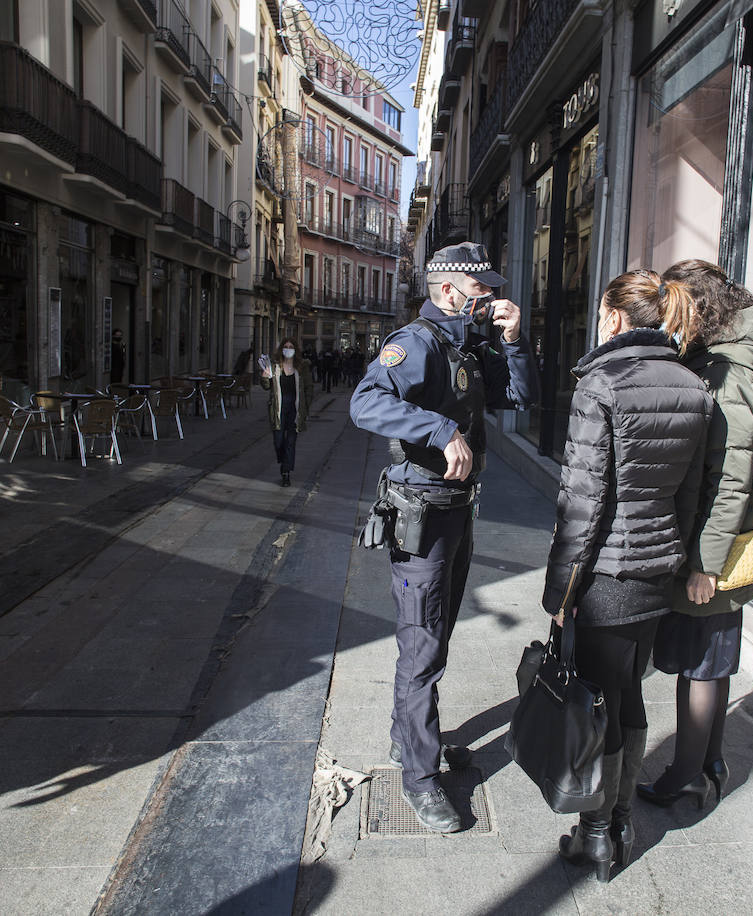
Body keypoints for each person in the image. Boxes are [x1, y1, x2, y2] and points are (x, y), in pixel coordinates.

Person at [350, 242, 538, 832]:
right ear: (450, 291)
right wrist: (440, 428)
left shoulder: (469, 344)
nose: (490, 300)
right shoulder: (419, 343)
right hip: (423, 515)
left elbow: (519, 398)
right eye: (482, 292)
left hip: (457, 511)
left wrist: (513, 340)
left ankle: (409, 739)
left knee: (437, 635)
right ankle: (420, 777)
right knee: (423, 647)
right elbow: (365, 402)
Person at [542, 269, 712, 881]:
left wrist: (559, 592)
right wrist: (679, 558)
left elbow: (582, 503)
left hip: (606, 576)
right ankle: (617, 822)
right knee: (628, 692)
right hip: (655, 571)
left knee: (598, 701)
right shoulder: (694, 386)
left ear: (614, 316)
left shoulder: (602, 383)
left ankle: (599, 835)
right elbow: (691, 497)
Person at [637, 259, 753, 812]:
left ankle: (686, 776)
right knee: (711, 663)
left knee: (700, 666)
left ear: (697, 308)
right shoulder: (720, 364)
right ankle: (709, 762)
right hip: (717, 548)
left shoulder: (724, 376)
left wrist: (704, 564)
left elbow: (731, 480)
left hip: (713, 551)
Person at [259, 337, 313, 487]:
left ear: (295, 350)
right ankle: (284, 461)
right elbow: (266, 386)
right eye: (286, 346)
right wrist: (264, 376)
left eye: (291, 346)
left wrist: (306, 407)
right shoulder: (275, 367)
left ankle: (286, 473)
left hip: (295, 410)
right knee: (278, 441)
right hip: (278, 409)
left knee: (290, 442)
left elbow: (309, 388)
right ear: (281, 349)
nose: (288, 349)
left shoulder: (301, 368)